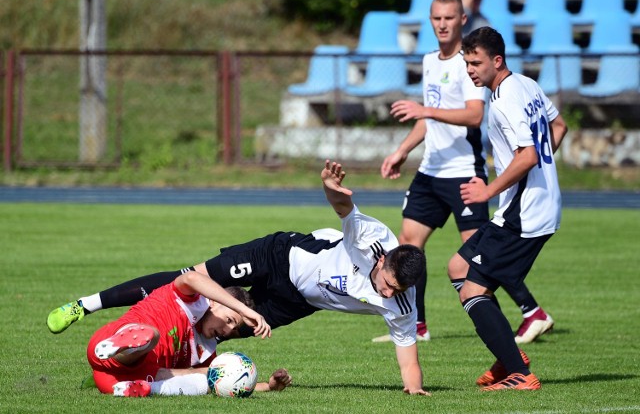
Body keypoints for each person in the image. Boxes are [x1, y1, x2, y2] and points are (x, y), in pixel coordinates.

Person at [48, 159, 431, 396]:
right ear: (383, 262)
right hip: (281, 255)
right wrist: (329, 188)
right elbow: (346, 207)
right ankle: (85, 305)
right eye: (385, 282)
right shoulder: (374, 239)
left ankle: (135, 369)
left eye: (395, 290)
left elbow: (406, 351)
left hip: (296, 303)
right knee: (191, 278)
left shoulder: (400, 301)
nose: (385, 292)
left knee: (224, 329)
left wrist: (414, 389)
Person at [376, 0, 553, 344]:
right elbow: (428, 118)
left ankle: (531, 311)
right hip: (430, 171)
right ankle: (416, 327)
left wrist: (425, 111)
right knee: (408, 246)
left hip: (464, 173)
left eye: (448, 18)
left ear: (462, 20)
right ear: (430, 21)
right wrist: (401, 150)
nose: (442, 25)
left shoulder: (471, 64)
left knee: (478, 259)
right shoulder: (429, 61)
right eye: (436, 18)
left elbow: (474, 115)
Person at [451, 26, 568, 391]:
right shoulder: (526, 84)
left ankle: (519, 372)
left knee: (472, 291)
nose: (470, 69)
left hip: (524, 214)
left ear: (496, 60)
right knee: (457, 267)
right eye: (467, 62)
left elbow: (528, 155)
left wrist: (488, 191)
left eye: (475, 62)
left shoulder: (503, 102)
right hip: (536, 206)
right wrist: (544, 173)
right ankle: (508, 356)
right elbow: (559, 126)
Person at [85, 271, 292, 396]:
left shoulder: (206, 349)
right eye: (229, 320)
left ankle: (148, 388)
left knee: (209, 376)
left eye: (234, 328)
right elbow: (191, 277)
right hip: (108, 343)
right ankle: (122, 344)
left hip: (116, 382)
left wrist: (268, 386)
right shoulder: (191, 299)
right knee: (151, 336)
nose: (228, 331)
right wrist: (245, 311)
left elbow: (228, 382)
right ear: (214, 301)